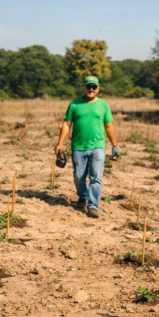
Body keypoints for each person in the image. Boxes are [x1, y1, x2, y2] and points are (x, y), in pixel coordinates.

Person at [54, 75, 119, 218]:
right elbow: (67, 124)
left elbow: (109, 126)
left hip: (98, 146)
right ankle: (83, 196)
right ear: (83, 87)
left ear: (98, 88)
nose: (91, 89)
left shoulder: (103, 105)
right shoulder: (74, 104)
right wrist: (60, 143)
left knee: (96, 177)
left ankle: (93, 206)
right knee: (79, 176)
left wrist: (114, 145)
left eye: (94, 87)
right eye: (88, 86)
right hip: (78, 146)